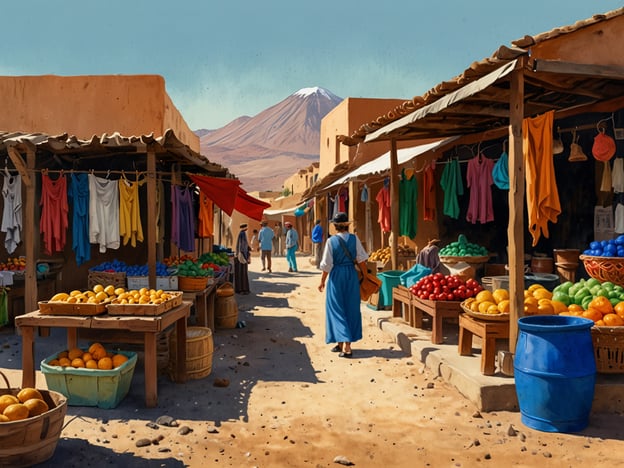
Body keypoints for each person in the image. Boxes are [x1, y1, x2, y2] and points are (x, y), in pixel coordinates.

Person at [317, 212, 368, 358]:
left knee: (336, 308)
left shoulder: (331, 241)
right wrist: (365, 276)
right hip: (351, 275)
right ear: (347, 225)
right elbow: (362, 259)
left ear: (335, 226)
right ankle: (340, 343)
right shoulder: (354, 239)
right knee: (351, 307)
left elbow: (327, 264)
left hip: (336, 276)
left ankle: (346, 346)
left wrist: (322, 281)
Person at [234, 223, 251, 294]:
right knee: (242, 273)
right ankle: (243, 290)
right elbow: (243, 246)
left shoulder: (241, 233)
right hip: (242, 256)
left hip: (240, 255)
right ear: (245, 228)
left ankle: (240, 289)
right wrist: (246, 256)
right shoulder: (243, 234)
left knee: (240, 273)